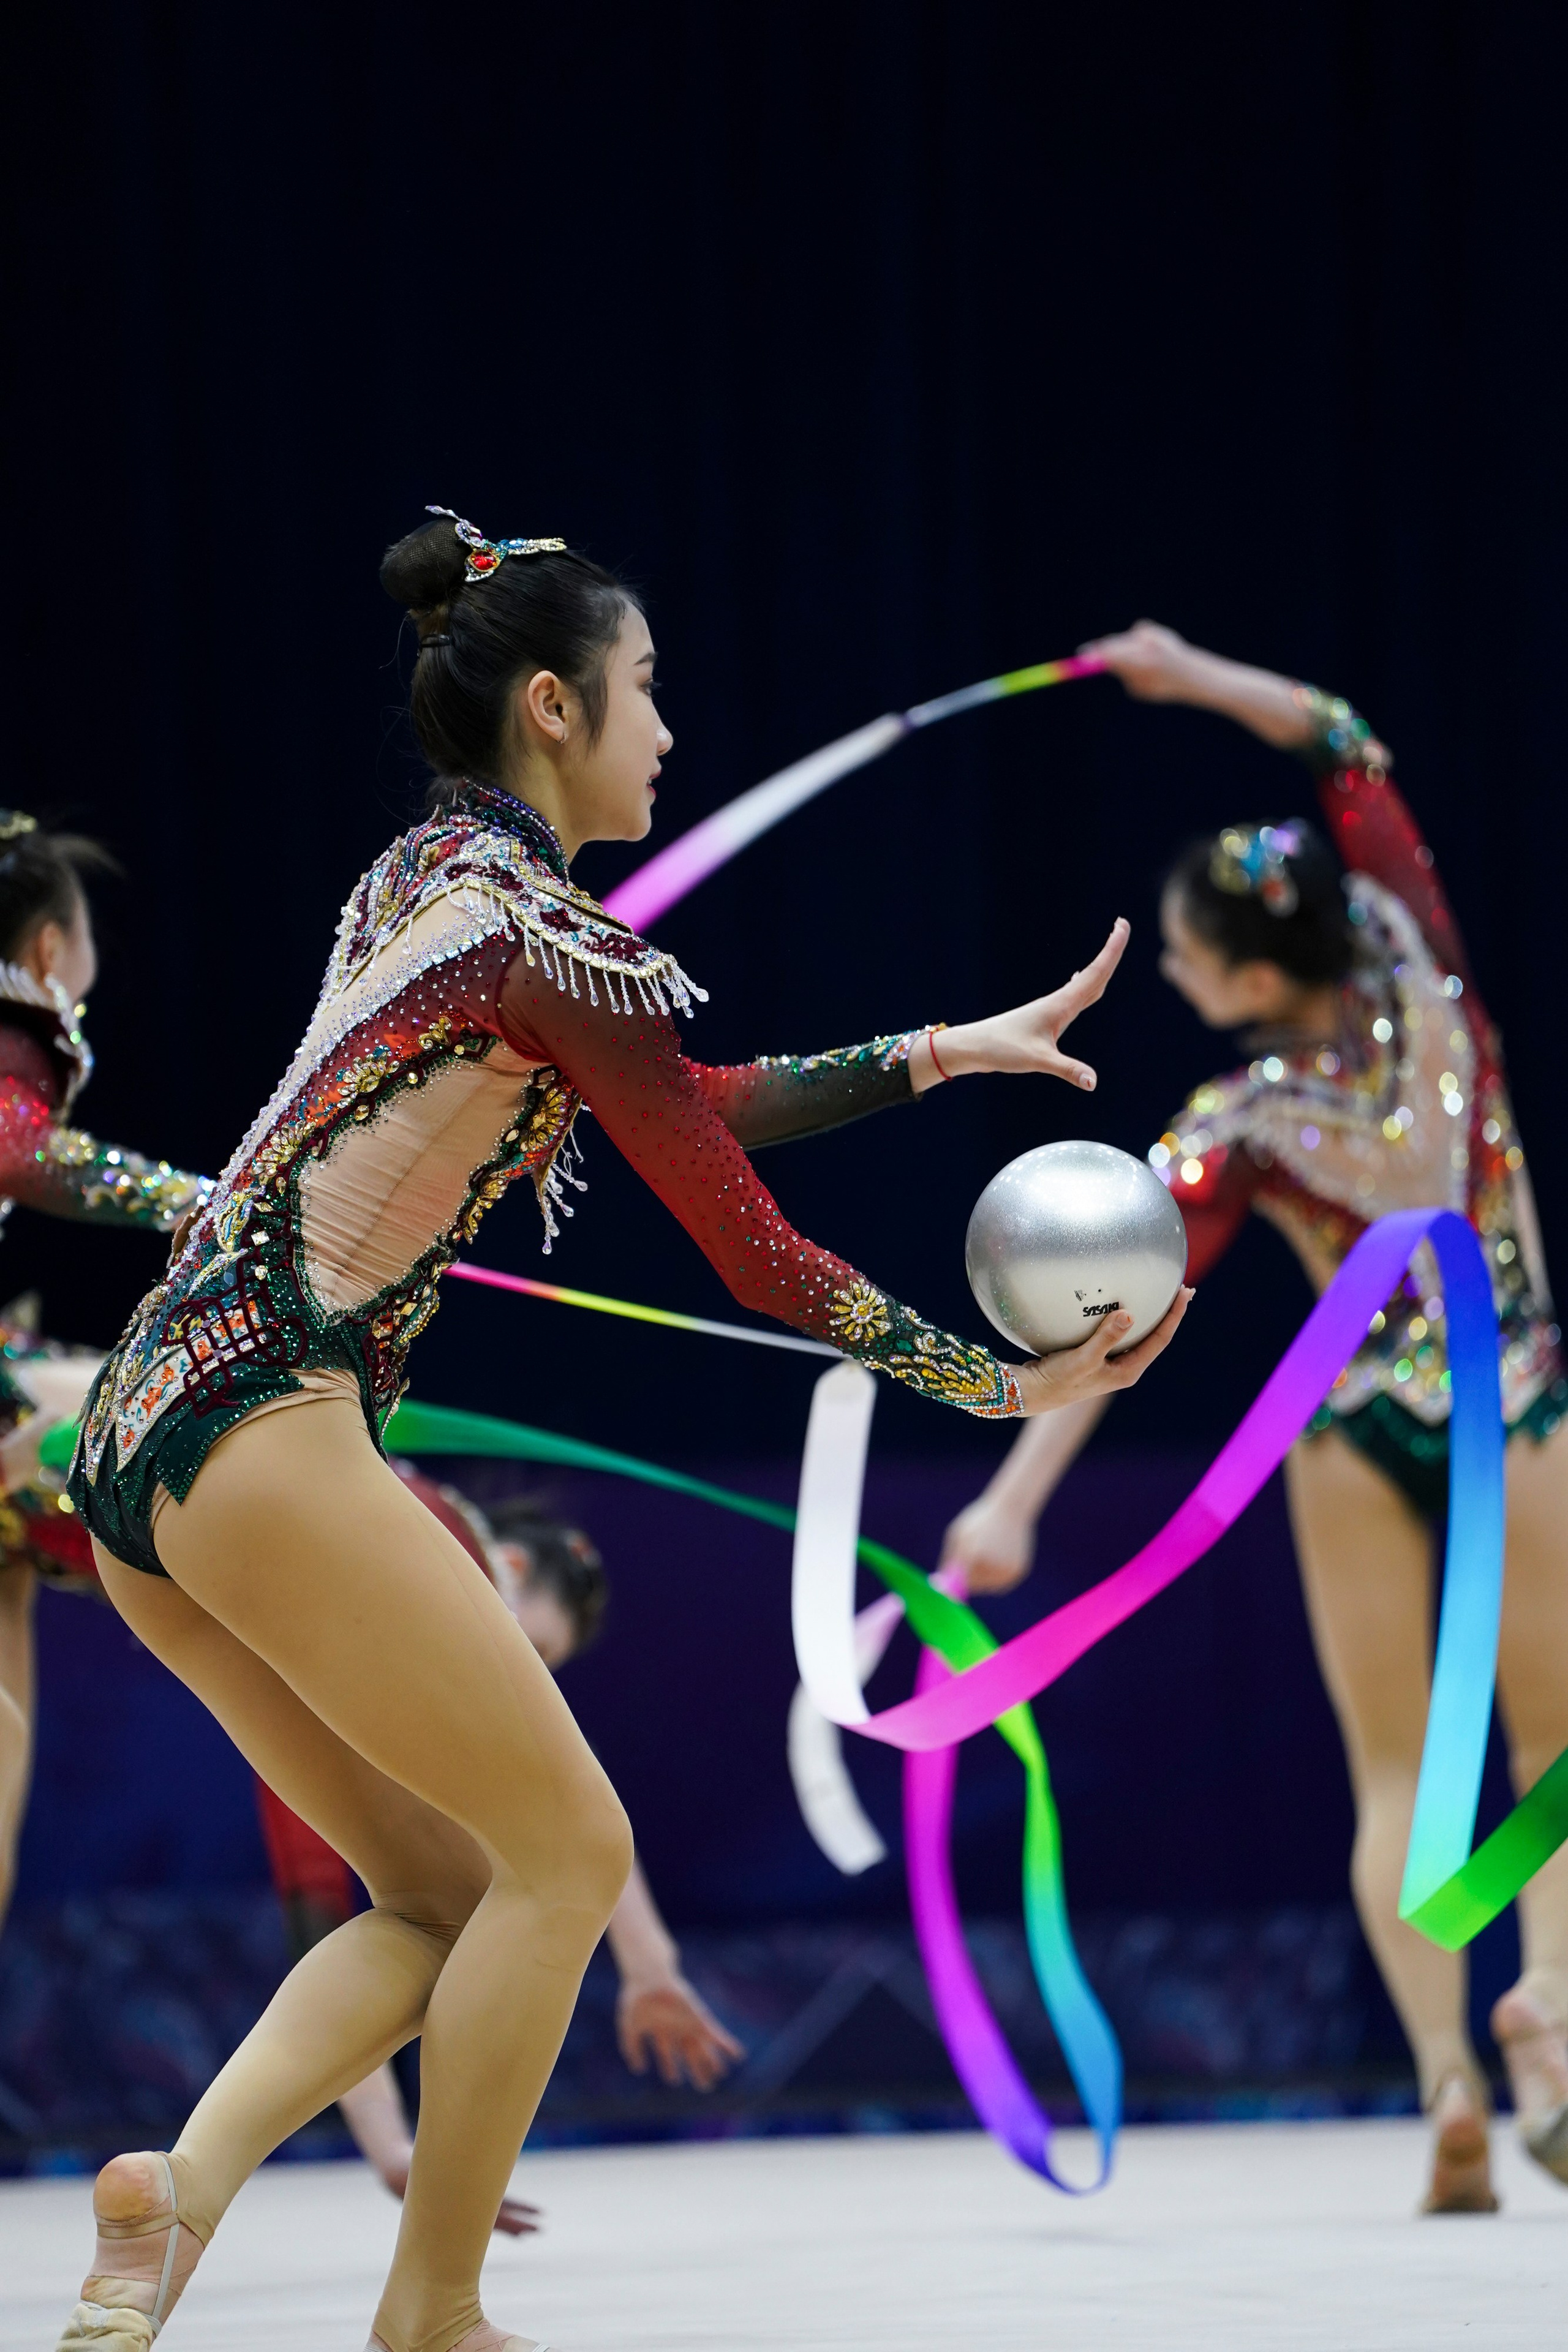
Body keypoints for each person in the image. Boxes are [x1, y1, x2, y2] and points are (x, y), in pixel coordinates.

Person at [53, 510, 1188, 2352]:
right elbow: (750, 1250)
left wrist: (936, 1052)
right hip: (272, 1416)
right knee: (567, 1855)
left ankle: (177, 2191)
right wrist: (1000, 1383)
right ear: (559, 705)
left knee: (433, 1887)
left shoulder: (422, 874)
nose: (668, 728)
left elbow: (688, 1102)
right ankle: (433, 2307)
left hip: (141, 1438)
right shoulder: (554, 940)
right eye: (648, 690)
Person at [939, 621, 1568, 2216]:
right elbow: (1346, 735)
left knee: (1391, 1780)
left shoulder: (1235, 1127)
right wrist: (1194, 674)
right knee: (1551, 1750)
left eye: (1182, 952)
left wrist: (1014, 1498)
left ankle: (1444, 2082)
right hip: (1518, 1392)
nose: (1167, 969)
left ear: (1252, 973)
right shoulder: (1421, 963)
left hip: (1354, 1425)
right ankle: (1549, 2012)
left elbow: (1116, 1320)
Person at [254, 1472, 741, 2236]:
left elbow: (313, 1893)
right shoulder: (448, 1552)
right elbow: (564, 1801)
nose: (532, 1678)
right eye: (538, 1650)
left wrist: (389, 2147)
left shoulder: (340, 1657)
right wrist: (646, 1961)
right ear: (508, 1567)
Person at [0, 812, 209, 1919]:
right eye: (84, 944)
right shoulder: (15, 1026)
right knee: (143, 1416)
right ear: (47, 951)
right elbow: (18, 1152)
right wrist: (193, 1200)